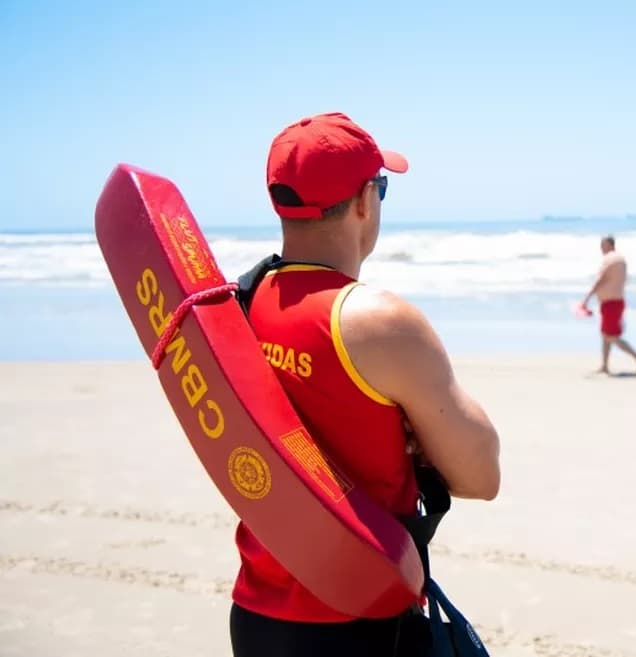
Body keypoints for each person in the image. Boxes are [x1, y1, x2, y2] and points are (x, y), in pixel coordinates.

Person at [230, 112, 501, 657]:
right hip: (360, 620)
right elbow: (481, 474)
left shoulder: (241, 304)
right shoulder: (376, 321)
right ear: (363, 201)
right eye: (381, 186)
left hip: (257, 614)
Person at [580, 235, 636, 375]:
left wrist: (587, 297)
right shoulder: (620, 259)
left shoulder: (610, 259)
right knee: (605, 335)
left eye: (603, 245)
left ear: (610, 245)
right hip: (614, 301)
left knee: (612, 336)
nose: (601, 248)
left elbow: (601, 279)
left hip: (611, 303)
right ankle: (604, 365)